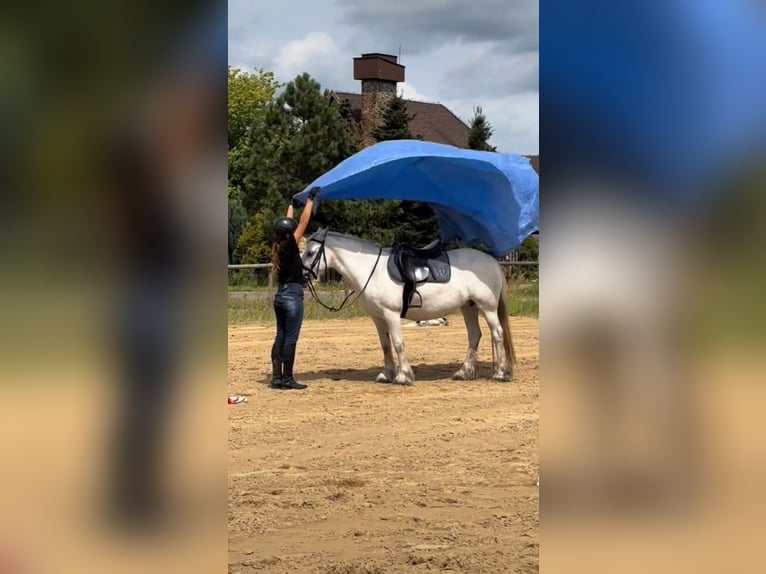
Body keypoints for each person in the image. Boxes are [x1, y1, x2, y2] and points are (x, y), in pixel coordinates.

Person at [270, 186, 320, 389]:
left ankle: (277, 378)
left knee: (280, 335)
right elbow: (303, 222)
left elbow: (288, 223)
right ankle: (288, 378)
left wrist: (291, 203)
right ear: (289, 233)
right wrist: (310, 200)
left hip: (280, 296)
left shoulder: (279, 244)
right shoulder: (291, 244)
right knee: (291, 338)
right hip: (292, 296)